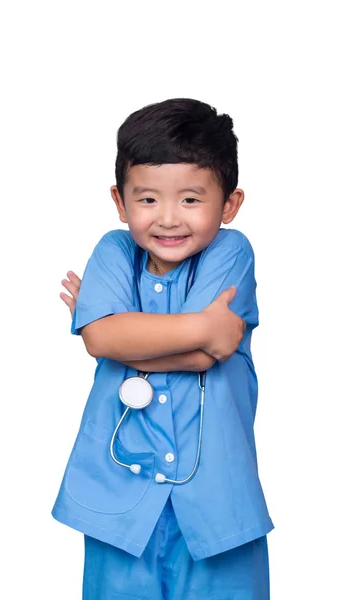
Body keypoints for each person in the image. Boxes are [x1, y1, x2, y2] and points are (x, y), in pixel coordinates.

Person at [52, 97, 274, 599]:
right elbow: (102, 340)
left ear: (230, 204)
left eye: (191, 199)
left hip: (217, 505)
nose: (168, 219)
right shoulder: (113, 249)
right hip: (119, 503)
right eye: (148, 199)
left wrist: (116, 334)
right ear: (120, 200)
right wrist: (111, 334)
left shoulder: (231, 251)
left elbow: (200, 356)